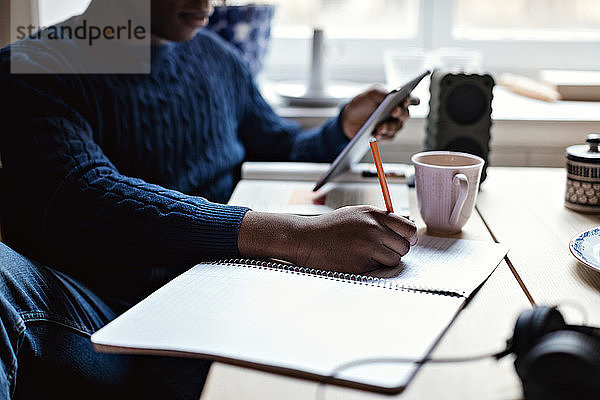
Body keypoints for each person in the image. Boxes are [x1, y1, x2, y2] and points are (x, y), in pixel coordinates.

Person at [0, 0, 418, 398]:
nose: (210, 3)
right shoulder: (33, 68)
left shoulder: (215, 57)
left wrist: (345, 127)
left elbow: (278, 145)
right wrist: (296, 236)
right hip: (97, 306)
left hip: (220, 286)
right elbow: (86, 196)